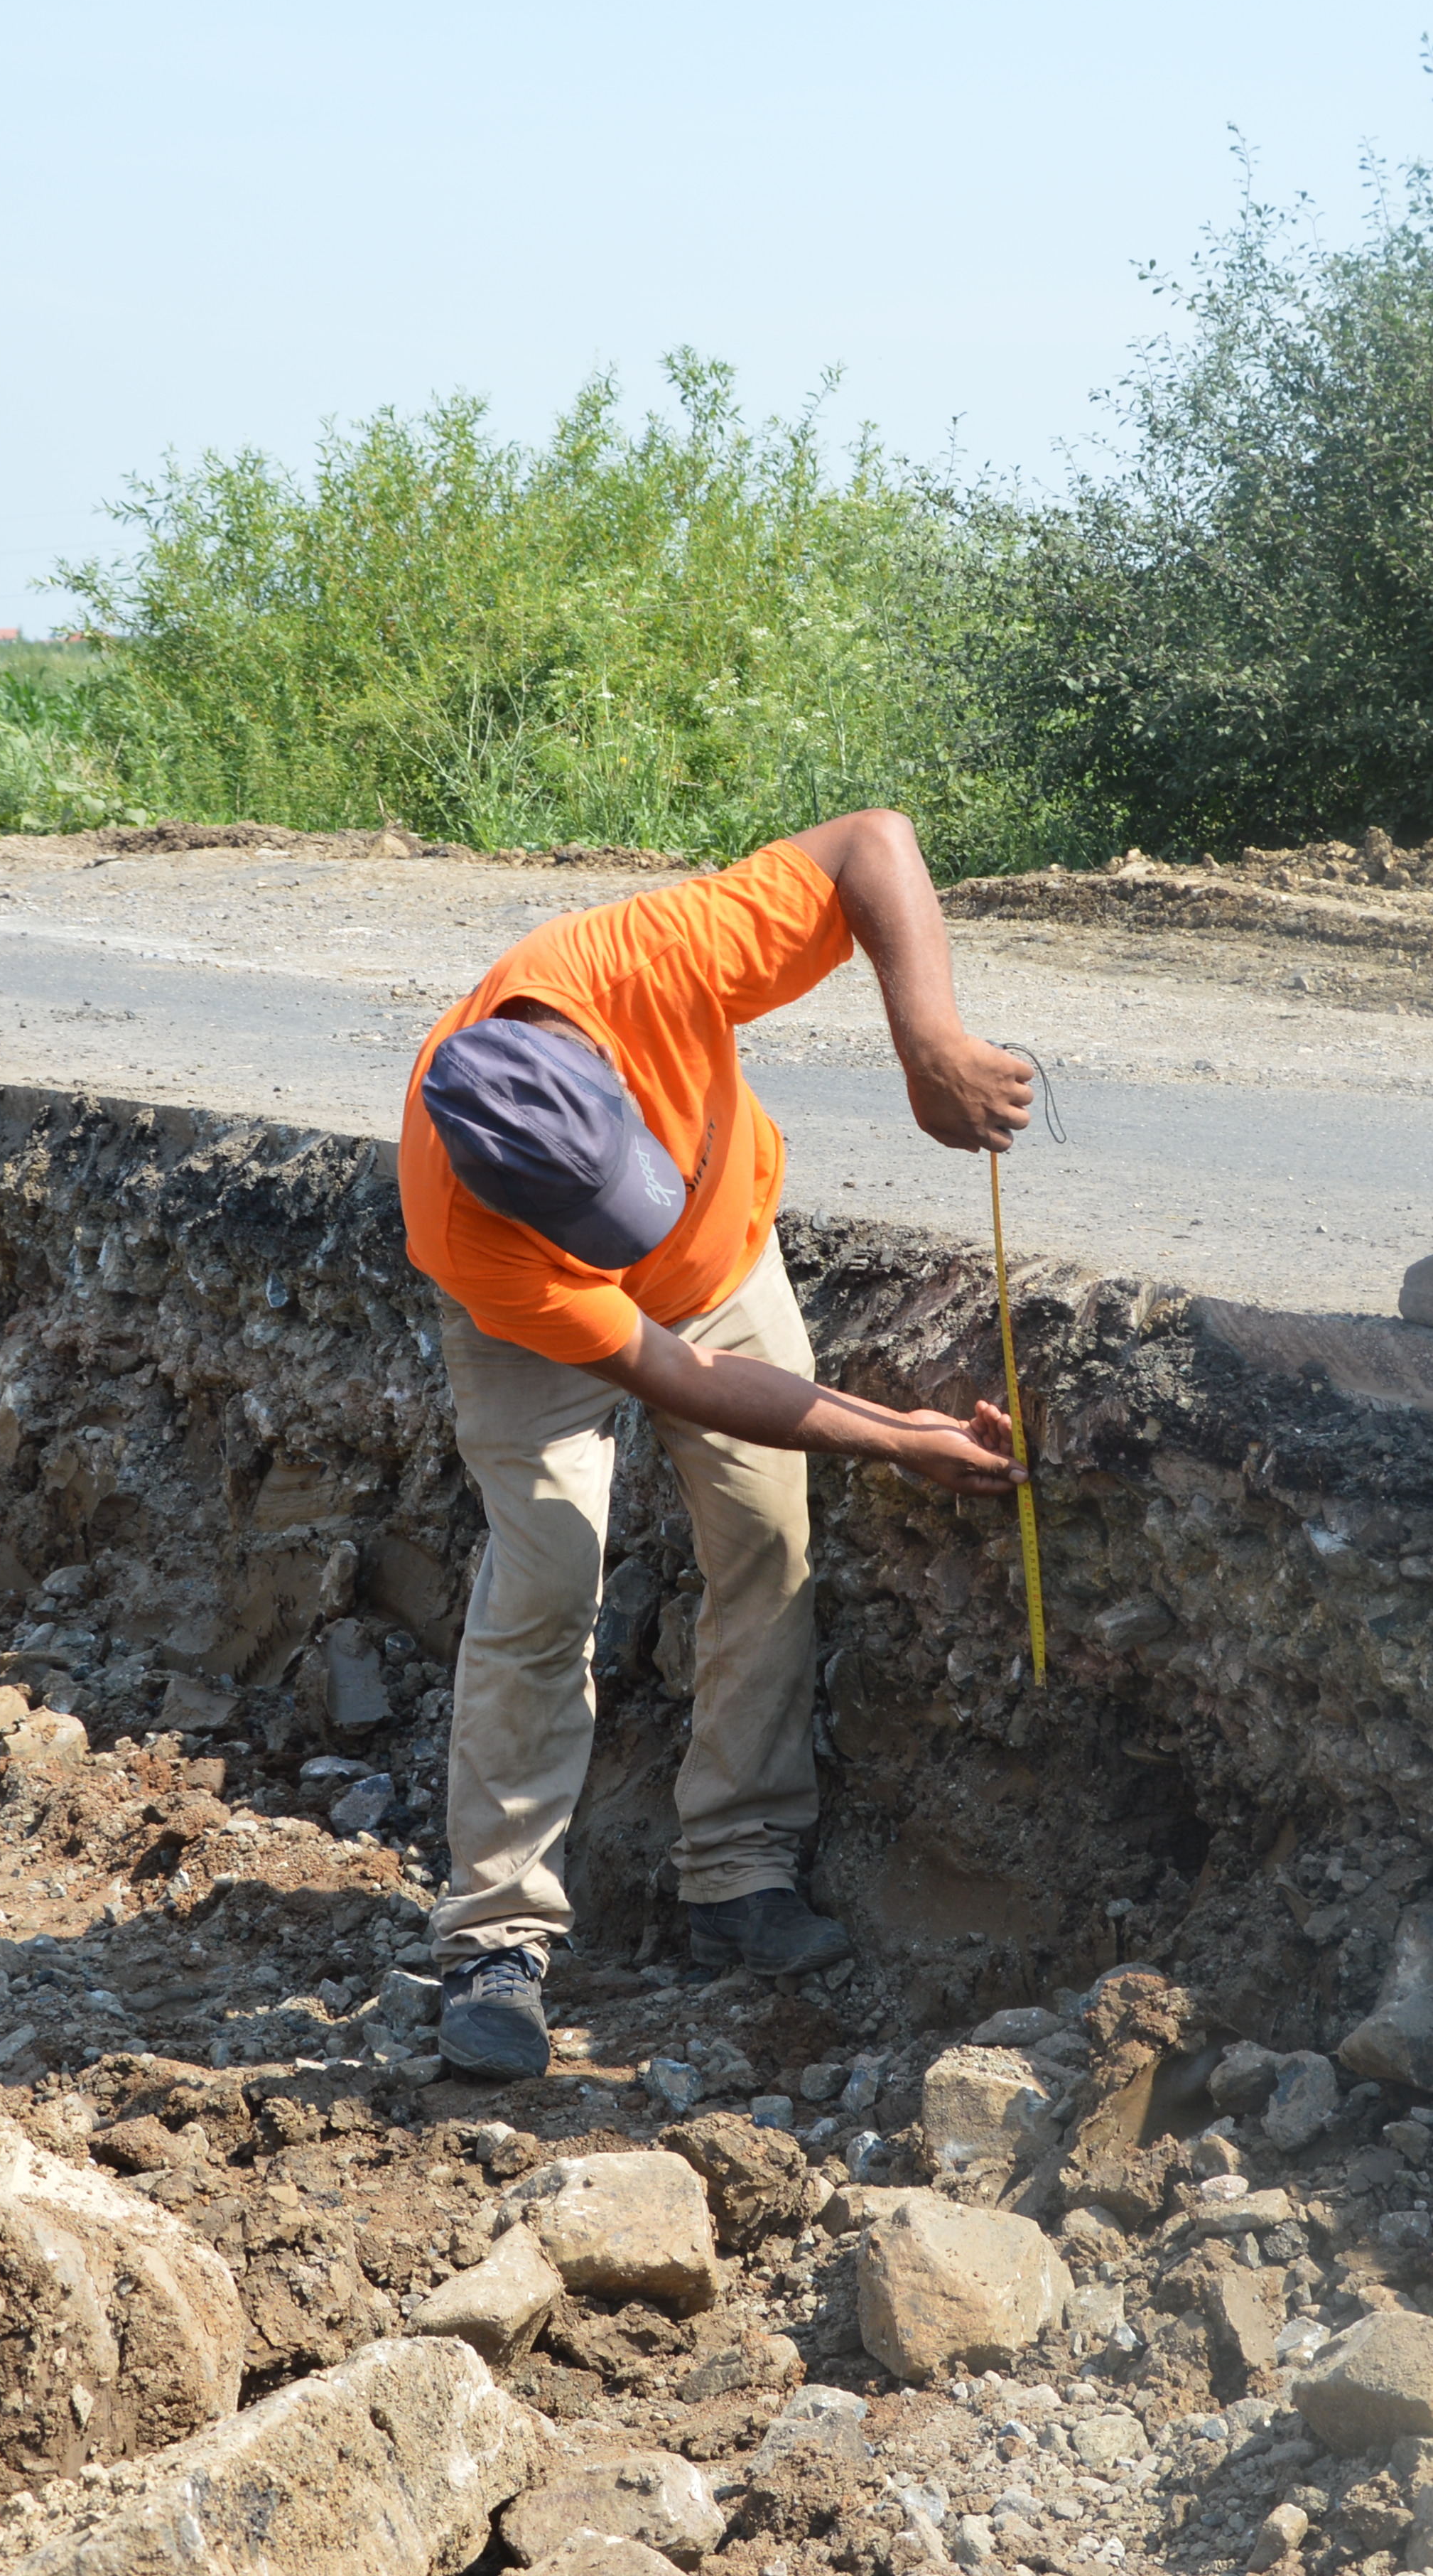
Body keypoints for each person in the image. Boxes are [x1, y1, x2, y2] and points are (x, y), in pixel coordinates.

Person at [399, 808, 1032, 2079]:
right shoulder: (473, 1226)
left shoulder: (651, 957)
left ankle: (736, 1876)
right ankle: (497, 1937)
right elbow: (680, 1374)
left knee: (767, 1545)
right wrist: (891, 1434)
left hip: (727, 1264)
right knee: (545, 1580)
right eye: (591, 1226)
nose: (614, 1241)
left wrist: (932, 1046)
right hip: (544, 1341)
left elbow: (874, 844)